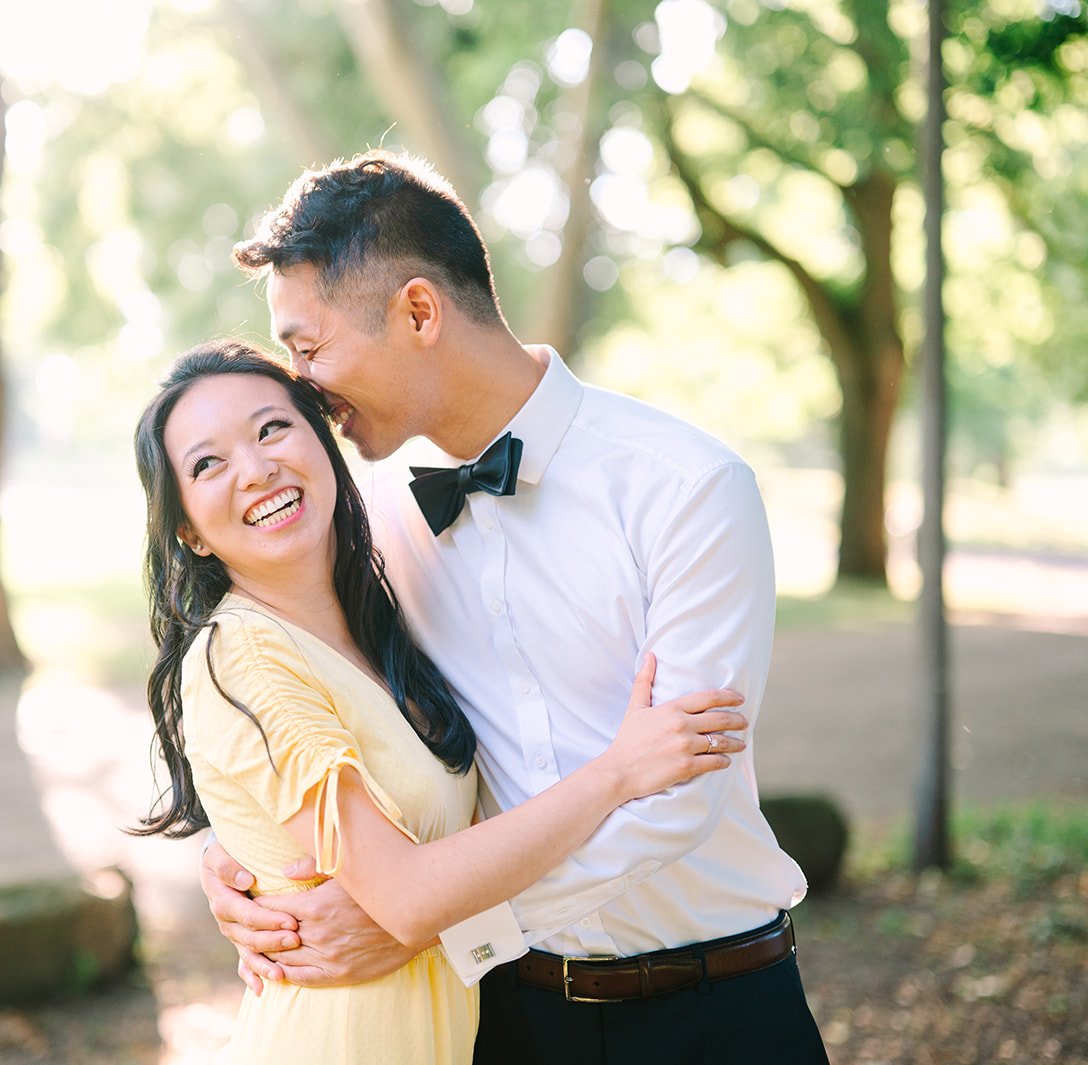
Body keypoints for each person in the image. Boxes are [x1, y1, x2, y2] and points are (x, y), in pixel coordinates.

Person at [199, 151, 831, 1063]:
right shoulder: (368, 525)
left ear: (419, 311)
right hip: (505, 1024)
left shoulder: (687, 487)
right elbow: (282, 689)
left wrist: (435, 924)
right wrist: (242, 858)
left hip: (715, 1007)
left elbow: (677, 798)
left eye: (308, 347)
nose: (301, 386)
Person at [132, 339, 750, 1063]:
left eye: (272, 428)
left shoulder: (377, 612)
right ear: (185, 530)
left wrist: (240, 847)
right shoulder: (241, 653)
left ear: (323, 443)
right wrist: (616, 772)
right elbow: (410, 899)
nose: (256, 467)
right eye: (207, 463)